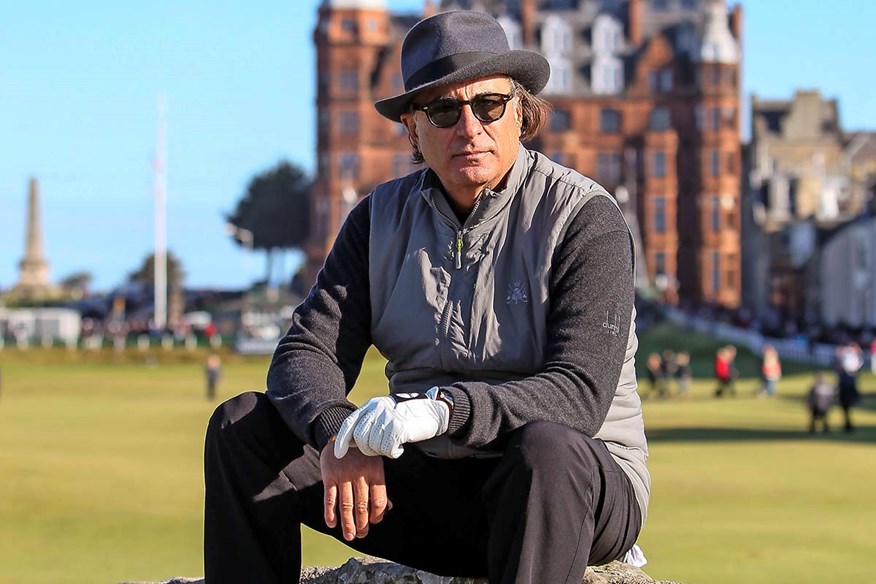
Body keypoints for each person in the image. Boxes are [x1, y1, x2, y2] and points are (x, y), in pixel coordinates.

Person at [203, 11, 649, 584]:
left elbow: (578, 395)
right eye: (443, 110)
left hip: (569, 494)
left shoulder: (584, 218)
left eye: (488, 105)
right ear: (412, 128)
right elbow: (303, 355)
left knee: (546, 451)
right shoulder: (377, 219)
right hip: (435, 490)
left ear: (521, 112)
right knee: (242, 426)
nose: (470, 128)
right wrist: (340, 431)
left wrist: (440, 411)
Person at [835, 341, 863, 432]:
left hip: (848, 385)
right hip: (846, 386)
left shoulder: (853, 356)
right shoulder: (846, 355)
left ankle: (848, 425)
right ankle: (848, 425)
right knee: (846, 409)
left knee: (847, 408)